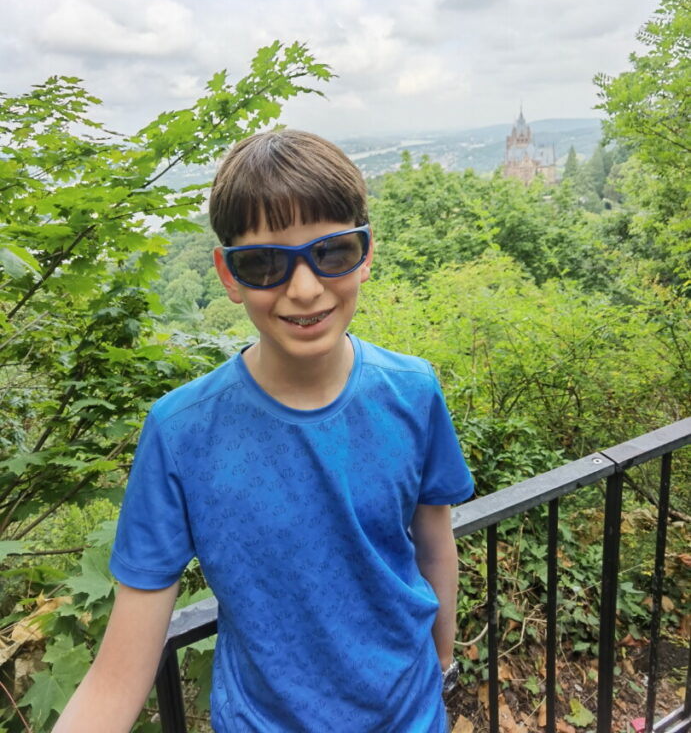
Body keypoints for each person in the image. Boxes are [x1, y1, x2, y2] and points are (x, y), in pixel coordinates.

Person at [54, 129, 474, 733]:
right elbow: (118, 676)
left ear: (366, 252)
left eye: (331, 253)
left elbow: (434, 542)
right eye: (265, 263)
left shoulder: (413, 390)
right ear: (229, 275)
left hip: (412, 713)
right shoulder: (181, 434)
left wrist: (441, 660)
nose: (304, 289)